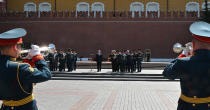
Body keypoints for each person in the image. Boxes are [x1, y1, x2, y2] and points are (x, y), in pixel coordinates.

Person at [163, 21, 210, 110]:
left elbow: (166, 73)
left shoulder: (183, 62)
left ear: (194, 44)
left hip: (186, 107)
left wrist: (183, 55)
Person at [0, 28, 51, 110]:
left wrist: (27, 61)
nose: (21, 50)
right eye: (20, 47)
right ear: (15, 47)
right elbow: (46, 74)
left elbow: (15, 75)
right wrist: (38, 57)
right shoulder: (21, 68)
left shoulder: (19, 67)